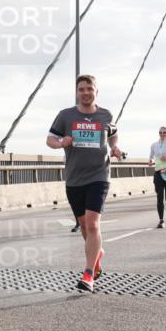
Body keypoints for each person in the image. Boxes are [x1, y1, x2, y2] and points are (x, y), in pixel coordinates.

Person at [48, 74, 122, 293]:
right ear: (77, 92)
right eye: (81, 89)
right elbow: (50, 139)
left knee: (92, 224)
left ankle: (89, 274)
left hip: (99, 175)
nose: (86, 92)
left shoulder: (105, 114)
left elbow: (113, 135)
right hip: (74, 178)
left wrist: (115, 147)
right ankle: (96, 254)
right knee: (84, 226)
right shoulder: (66, 115)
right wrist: (62, 142)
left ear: (96, 91)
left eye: (89, 88)